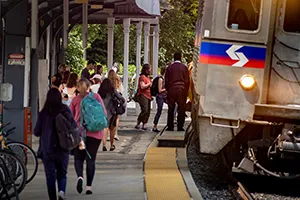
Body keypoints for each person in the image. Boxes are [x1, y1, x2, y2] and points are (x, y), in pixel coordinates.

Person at [34, 88, 75, 200]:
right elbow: (73, 126)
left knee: (50, 175)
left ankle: (52, 197)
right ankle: (61, 192)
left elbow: (36, 132)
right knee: (62, 173)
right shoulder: (65, 110)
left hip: (48, 148)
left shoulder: (44, 113)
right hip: (63, 147)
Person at [70, 78, 106, 195]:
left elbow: (70, 118)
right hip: (95, 135)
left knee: (79, 158)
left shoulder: (75, 100)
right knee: (91, 160)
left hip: (80, 134)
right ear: (89, 86)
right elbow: (104, 113)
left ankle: (80, 177)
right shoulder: (96, 97)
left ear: (78, 87)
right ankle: (89, 187)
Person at [165, 52, 189, 131]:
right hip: (181, 89)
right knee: (181, 108)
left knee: (171, 108)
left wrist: (168, 90)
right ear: (181, 58)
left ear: (174, 58)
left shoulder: (169, 68)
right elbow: (187, 80)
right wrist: (186, 91)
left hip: (172, 89)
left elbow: (166, 80)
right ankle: (180, 126)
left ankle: (170, 126)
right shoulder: (184, 67)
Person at [98, 78, 123, 151]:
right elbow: (120, 98)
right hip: (112, 111)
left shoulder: (100, 92)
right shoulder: (113, 91)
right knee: (112, 128)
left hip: (102, 111)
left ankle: (104, 144)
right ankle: (112, 145)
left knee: (104, 128)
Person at [135, 64, 152, 130]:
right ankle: (139, 122)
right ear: (146, 69)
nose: (150, 70)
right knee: (144, 109)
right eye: (149, 69)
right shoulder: (142, 77)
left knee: (148, 111)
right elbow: (142, 86)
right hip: (143, 95)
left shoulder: (148, 78)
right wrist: (149, 84)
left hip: (148, 95)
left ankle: (144, 123)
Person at [108, 69, 124, 141]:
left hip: (109, 101)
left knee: (108, 117)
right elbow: (121, 91)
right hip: (116, 102)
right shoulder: (118, 82)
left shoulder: (107, 82)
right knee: (117, 118)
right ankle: (115, 133)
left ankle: (108, 134)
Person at [152, 66, 167, 133]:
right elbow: (160, 90)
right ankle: (155, 125)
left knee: (174, 106)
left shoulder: (166, 79)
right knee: (159, 111)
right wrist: (167, 89)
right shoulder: (160, 79)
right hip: (160, 96)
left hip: (165, 96)